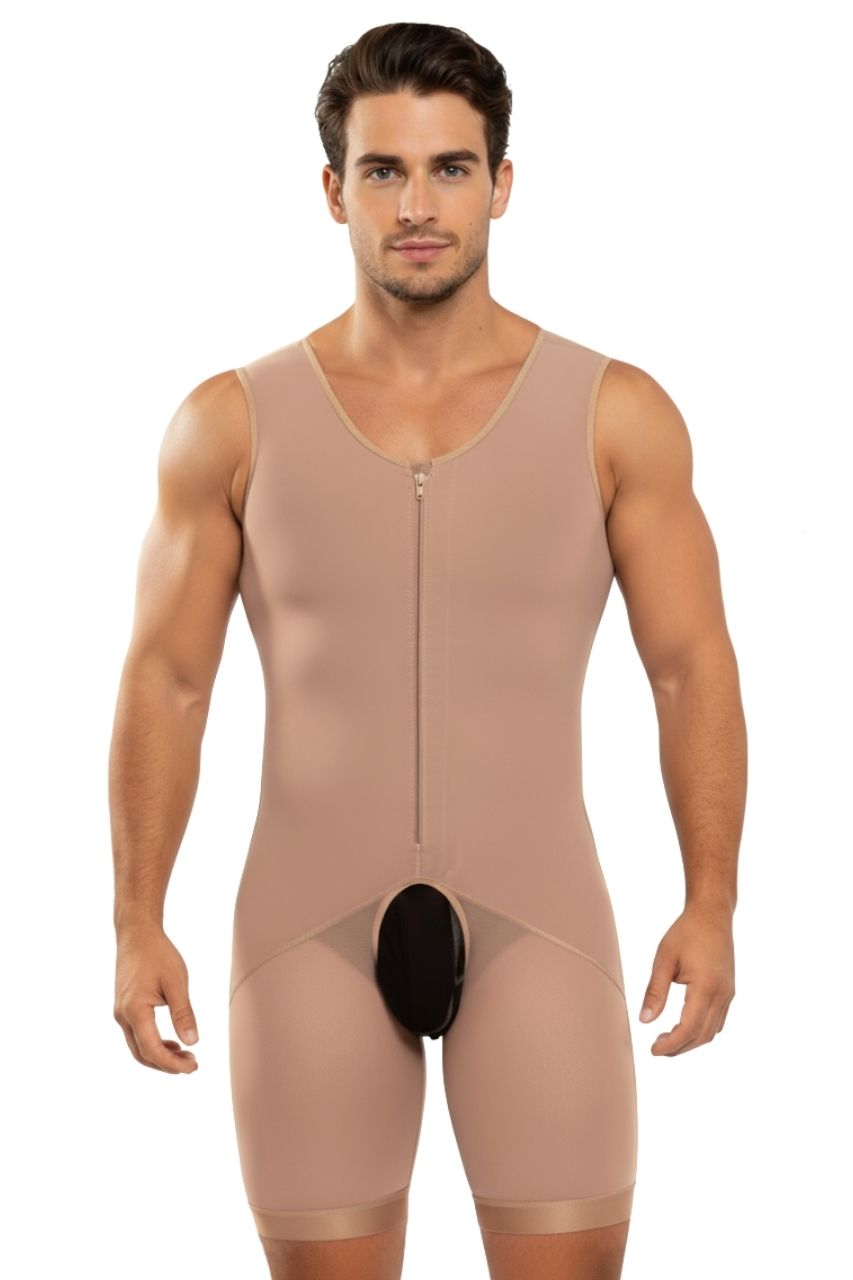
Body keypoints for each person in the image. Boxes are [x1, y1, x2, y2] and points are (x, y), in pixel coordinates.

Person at [110, 21, 744, 1280]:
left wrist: (712, 899)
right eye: (384, 171)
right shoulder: (230, 424)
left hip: (540, 919)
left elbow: (690, 668)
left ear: (501, 184)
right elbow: (168, 682)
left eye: (449, 168)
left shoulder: (615, 414)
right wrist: (137, 918)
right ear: (332, 189)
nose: (416, 206)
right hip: (303, 930)